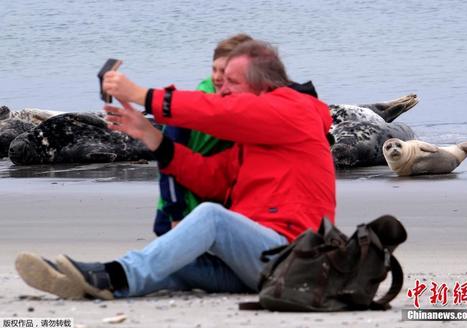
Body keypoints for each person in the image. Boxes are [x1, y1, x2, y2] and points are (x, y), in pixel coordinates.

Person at [15, 39, 336, 300]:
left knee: (211, 217)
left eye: (231, 83)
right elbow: (209, 179)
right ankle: (97, 280)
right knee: (172, 259)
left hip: (293, 259)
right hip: (257, 264)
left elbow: (220, 111)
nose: (221, 91)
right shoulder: (251, 142)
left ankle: (107, 276)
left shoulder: (297, 110)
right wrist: (152, 137)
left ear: (261, 86)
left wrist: (141, 95)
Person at [155, 33, 252, 236]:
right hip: (179, 206)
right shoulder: (189, 108)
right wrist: (176, 214)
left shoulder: (245, 106)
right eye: (214, 69)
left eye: (224, 71)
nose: (217, 77)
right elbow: (167, 162)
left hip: (219, 202)